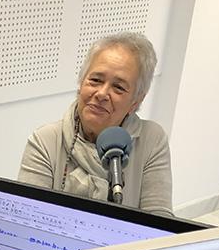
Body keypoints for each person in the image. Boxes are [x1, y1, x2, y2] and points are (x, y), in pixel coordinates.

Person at [18, 32, 173, 217]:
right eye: (96, 80)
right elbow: (27, 216)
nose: (101, 93)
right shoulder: (45, 141)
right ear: (81, 83)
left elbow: (159, 224)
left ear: (136, 101)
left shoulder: (151, 140)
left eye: (119, 87)